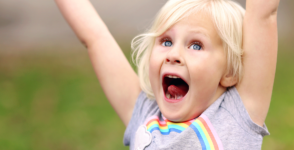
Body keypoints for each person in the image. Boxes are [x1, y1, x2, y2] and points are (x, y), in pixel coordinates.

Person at [55, 0, 280, 149]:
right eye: (166, 41)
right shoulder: (144, 113)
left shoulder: (235, 117)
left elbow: (263, 14)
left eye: (196, 45)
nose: (174, 54)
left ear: (229, 71)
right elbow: (96, 37)